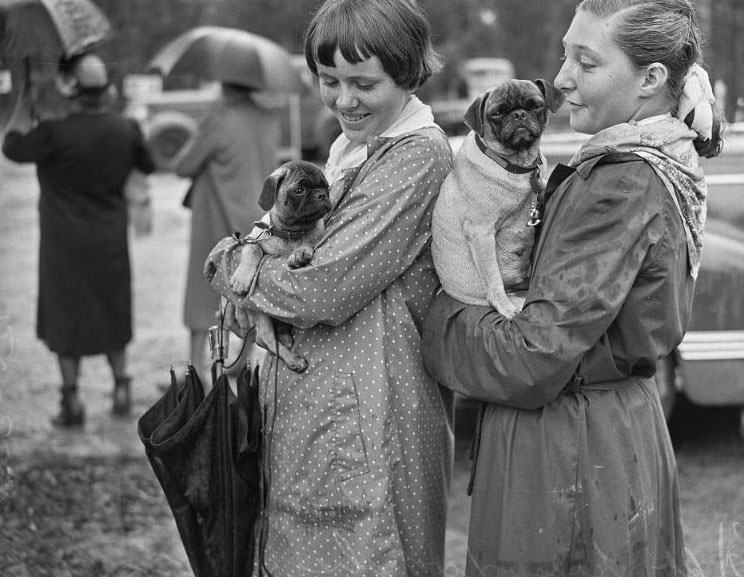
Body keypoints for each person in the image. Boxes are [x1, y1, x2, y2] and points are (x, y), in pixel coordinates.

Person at [421, 1, 725, 576]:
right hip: (592, 435)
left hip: (571, 455)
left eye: (585, 62)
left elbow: (529, 357)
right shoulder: (646, 157)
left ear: (653, 79)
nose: (560, 80)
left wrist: (436, 315)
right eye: (565, 55)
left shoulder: (620, 185)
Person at [213, 0, 454, 574]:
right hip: (331, 412)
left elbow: (318, 291)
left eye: (364, 83)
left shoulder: (416, 156)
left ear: (409, 73)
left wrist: (226, 264)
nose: (344, 99)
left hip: (375, 418)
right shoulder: (355, 149)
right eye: (329, 81)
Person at [2, 53, 156, 427]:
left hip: (62, 246)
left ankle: (71, 402)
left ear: (73, 93)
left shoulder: (52, 135)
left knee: (65, 317)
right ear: (106, 92)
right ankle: (121, 388)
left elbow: (11, 147)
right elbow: (149, 164)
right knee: (112, 311)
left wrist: (24, 100)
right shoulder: (126, 129)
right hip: (109, 241)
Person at [173, 82, 280, 379]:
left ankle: (196, 368)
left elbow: (183, 166)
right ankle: (241, 362)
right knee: (250, 291)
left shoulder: (218, 120)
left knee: (202, 293)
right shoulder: (268, 118)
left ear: (225, 85)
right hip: (258, 219)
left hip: (217, 218)